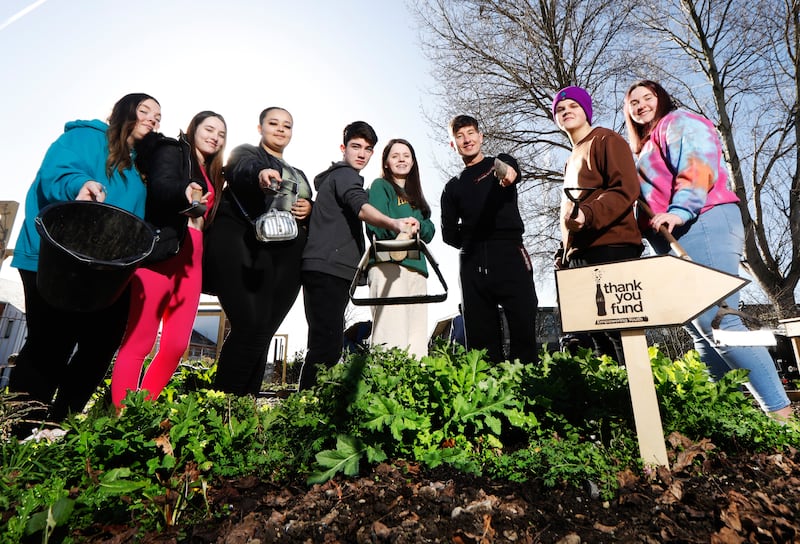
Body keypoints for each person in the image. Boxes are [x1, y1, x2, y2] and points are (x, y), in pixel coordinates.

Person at [623, 79, 793, 420]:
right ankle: (723, 415)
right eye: (633, 102)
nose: (640, 104)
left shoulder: (679, 123)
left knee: (719, 321)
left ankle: (782, 417)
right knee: (698, 328)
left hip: (702, 221)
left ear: (662, 99)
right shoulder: (642, 150)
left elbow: (698, 166)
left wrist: (680, 209)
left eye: (647, 97)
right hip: (671, 237)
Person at [9, 93, 161, 432]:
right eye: (145, 110)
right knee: (50, 344)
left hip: (105, 271)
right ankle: (18, 427)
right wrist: (81, 185)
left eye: (158, 116)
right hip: (53, 258)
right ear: (123, 111)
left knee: (102, 342)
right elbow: (57, 172)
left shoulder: (138, 169)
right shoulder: (84, 137)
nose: (153, 118)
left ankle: (59, 423)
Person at [111, 111, 226, 408]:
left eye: (221, 133)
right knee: (141, 340)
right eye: (209, 129)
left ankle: (142, 410)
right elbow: (162, 186)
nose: (215, 136)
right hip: (163, 253)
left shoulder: (214, 172)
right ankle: (122, 415)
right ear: (194, 129)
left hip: (193, 262)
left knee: (176, 346)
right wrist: (183, 191)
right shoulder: (174, 151)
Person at [299, 121, 420, 391]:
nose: (362, 154)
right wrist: (396, 224)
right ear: (343, 148)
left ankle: (312, 404)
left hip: (335, 270)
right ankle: (307, 406)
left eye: (368, 149)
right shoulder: (345, 176)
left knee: (326, 342)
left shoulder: (340, 180)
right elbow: (361, 208)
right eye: (356, 146)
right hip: (327, 268)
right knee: (326, 346)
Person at [203, 107, 312, 396]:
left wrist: (308, 208)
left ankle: (244, 409)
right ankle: (224, 405)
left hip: (285, 259)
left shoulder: (298, 174)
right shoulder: (246, 153)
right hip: (244, 248)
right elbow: (242, 170)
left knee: (263, 332)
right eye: (273, 123)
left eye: (286, 126)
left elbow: (306, 206)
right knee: (249, 326)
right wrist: (261, 174)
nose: (280, 129)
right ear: (260, 128)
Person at [552, 86, 642, 362]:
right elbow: (573, 211)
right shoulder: (570, 160)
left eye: (573, 106)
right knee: (597, 337)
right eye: (559, 109)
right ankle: (615, 402)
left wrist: (588, 214)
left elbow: (625, 188)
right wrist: (565, 253)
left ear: (586, 111)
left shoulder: (606, 140)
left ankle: (641, 402)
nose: (566, 111)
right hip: (581, 255)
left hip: (611, 247)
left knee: (621, 334)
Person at [440, 115, 538, 364]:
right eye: (459, 136)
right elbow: (449, 234)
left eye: (471, 133)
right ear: (453, 145)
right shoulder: (452, 188)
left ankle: (528, 384)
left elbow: (509, 172)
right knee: (481, 341)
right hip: (472, 260)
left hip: (509, 252)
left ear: (480, 137)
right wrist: (473, 238)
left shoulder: (499, 163)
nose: (466, 140)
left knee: (523, 323)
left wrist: (506, 174)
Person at [366, 138, 436, 358]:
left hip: (417, 267)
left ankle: (412, 386)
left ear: (413, 162)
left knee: (416, 337)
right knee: (391, 331)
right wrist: (401, 226)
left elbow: (430, 230)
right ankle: (385, 384)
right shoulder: (380, 186)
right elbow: (375, 224)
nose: (401, 160)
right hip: (388, 265)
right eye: (395, 156)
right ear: (386, 162)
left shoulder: (417, 197)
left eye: (406, 155)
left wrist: (418, 226)